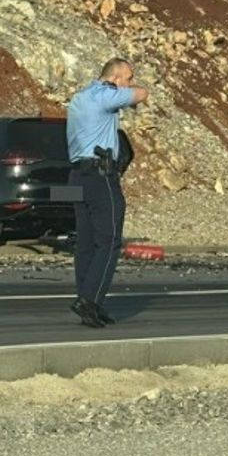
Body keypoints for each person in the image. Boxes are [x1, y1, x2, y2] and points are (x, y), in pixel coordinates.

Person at [65, 58, 149, 327]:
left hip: (77, 175)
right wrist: (129, 91)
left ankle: (89, 300)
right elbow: (141, 94)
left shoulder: (80, 98)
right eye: (127, 77)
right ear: (114, 78)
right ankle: (89, 299)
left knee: (86, 243)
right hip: (100, 176)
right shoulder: (105, 95)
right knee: (110, 241)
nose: (130, 82)